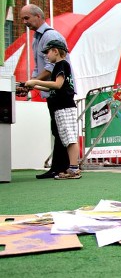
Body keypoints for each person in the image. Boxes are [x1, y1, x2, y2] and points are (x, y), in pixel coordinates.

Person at [20, 4, 71, 179]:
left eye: (27, 18)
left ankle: (64, 167)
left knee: (61, 130)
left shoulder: (50, 36)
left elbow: (49, 69)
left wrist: (32, 83)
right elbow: (39, 68)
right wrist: (30, 84)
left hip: (60, 94)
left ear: (38, 16)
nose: (24, 22)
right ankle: (59, 167)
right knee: (57, 130)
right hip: (53, 93)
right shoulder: (37, 38)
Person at [25, 40, 81, 180]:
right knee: (66, 138)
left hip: (65, 106)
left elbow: (57, 84)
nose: (46, 56)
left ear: (55, 51)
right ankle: (72, 167)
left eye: (48, 52)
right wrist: (34, 86)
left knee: (70, 138)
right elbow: (52, 87)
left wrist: (36, 81)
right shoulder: (59, 66)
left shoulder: (61, 64)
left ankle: (74, 168)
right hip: (61, 107)